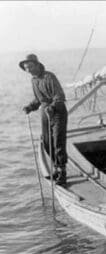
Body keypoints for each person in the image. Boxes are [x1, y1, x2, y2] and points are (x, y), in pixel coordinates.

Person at [20, 54, 68, 186]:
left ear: (37, 65)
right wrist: (30, 107)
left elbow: (60, 96)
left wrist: (52, 107)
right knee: (47, 143)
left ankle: (62, 172)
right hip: (45, 113)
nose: (28, 70)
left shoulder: (49, 77)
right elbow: (39, 99)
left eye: (30, 66)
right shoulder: (34, 81)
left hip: (57, 112)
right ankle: (56, 169)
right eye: (26, 68)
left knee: (58, 141)